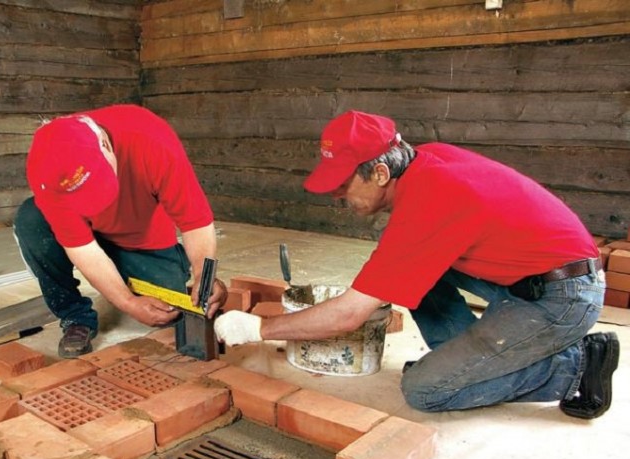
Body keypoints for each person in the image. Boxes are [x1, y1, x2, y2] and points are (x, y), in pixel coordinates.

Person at [215, 110, 619, 419]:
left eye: (342, 185)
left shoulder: (431, 199)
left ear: (378, 172)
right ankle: (463, 359)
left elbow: (348, 316)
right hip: (527, 277)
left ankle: (575, 366)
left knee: (426, 390)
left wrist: (258, 328)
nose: (336, 195)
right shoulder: (424, 165)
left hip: (562, 297)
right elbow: (391, 274)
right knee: (404, 274)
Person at [15, 104, 227, 358]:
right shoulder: (48, 173)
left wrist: (204, 272)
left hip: (140, 236)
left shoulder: (151, 140)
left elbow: (195, 221)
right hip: (90, 237)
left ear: (104, 144)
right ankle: (75, 316)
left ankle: (170, 262)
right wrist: (127, 302)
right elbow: (83, 250)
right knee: (31, 220)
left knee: (171, 310)